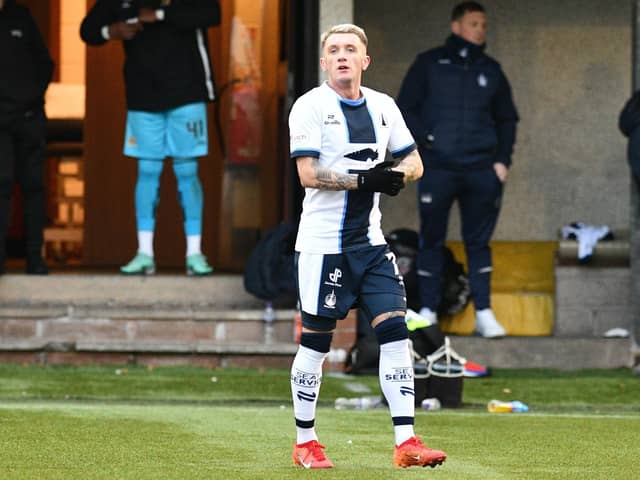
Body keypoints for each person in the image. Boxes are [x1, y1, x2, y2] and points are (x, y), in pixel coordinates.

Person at [288, 23, 446, 469]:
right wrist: (363, 179)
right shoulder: (310, 106)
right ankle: (305, 441)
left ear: (364, 60)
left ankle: (406, 441)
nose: (342, 56)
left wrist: (398, 175)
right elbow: (307, 174)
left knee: (395, 332)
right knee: (316, 347)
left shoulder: (383, 106)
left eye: (350, 50)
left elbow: (414, 159)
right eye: (334, 50)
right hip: (322, 247)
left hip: (372, 245)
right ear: (324, 62)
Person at [397, 1, 519, 337]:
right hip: (439, 167)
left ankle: (484, 313)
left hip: (481, 169)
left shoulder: (491, 70)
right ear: (456, 27)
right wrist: (427, 141)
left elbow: (508, 119)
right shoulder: (430, 64)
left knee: (478, 242)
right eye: (474, 23)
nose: (481, 29)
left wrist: (502, 162)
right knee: (431, 240)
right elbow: (404, 108)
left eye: (484, 24)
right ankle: (428, 309)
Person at [80, 0, 219, 276]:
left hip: (187, 93)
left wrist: (158, 14)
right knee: (147, 171)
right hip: (142, 96)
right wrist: (113, 31)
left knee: (188, 171)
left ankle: (194, 253)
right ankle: (144, 253)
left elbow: (211, 13)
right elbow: (88, 31)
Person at [0, 0, 53, 275]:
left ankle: (35, 258)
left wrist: (32, 98)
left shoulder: (20, 17)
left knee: (34, 186)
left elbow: (45, 63)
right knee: (2, 184)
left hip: (29, 117)